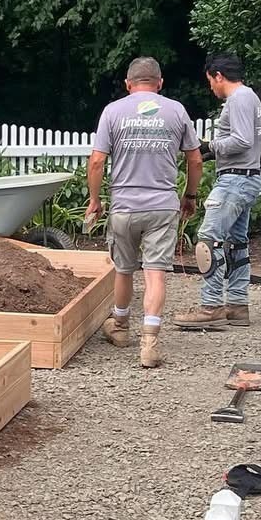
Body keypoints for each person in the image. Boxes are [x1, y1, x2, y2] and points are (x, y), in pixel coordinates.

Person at [85, 57, 202, 369]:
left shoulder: (113, 111)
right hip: (162, 206)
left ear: (128, 84)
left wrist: (95, 200)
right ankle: (149, 342)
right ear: (160, 83)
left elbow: (97, 161)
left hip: (124, 206)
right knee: (155, 273)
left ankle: (120, 328)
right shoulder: (176, 110)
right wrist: (189, 195)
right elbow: (195, 160)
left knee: (123, 269)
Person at [176, 53, 261, 331]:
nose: (210, 88)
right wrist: (214, 154)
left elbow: (241, 140)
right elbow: (249, 143)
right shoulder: (250, 97)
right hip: (246, 177)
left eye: (210, 82)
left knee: (208, 240)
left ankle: (211, 306)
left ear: (218, 76)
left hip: (234, 182)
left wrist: (210, 147)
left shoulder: (238, 99)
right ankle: (238, 306)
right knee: (237, 243)